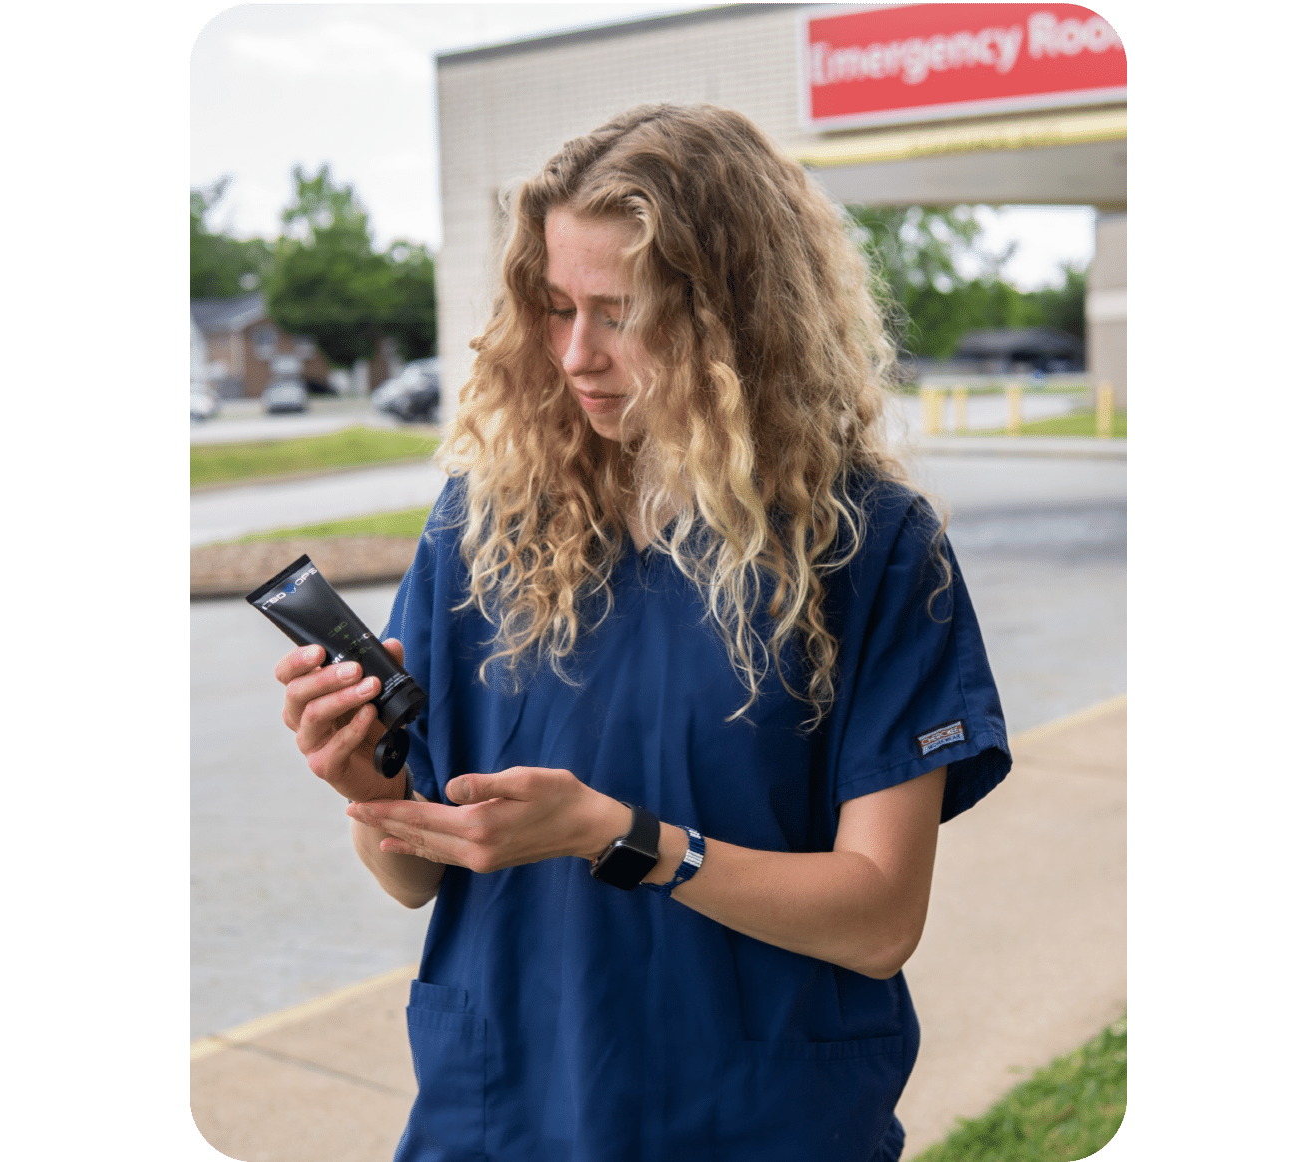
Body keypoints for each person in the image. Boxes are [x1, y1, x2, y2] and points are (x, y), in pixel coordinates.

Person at [274, 104, 1010, 1162]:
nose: (576, 354)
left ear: (732, 318)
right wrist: (372, 795)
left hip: (758, 1124)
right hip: (506, 1119)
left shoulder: (872, 550)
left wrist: (613, 836)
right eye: (558, 306)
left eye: (619, 312)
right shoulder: (483, 527)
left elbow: (880, 916)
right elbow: (414, 874)